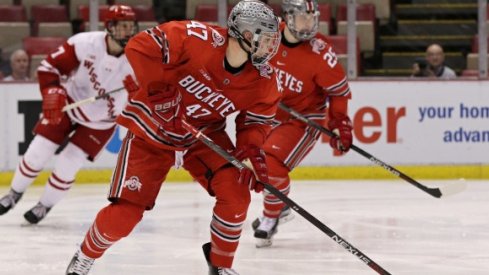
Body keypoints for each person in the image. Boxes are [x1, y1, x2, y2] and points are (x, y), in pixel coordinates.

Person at [65, 1, 281, 275]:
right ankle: (85, 255)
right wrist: (159, 91)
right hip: (152, 129)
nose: (270, 47)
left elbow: (255, 121)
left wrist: (250, 149)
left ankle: (220, 265)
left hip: (202, 136)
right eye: (265, 38)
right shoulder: (195, 38)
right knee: (125, 215)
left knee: (236, 193)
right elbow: (139, 46)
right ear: (244, 33)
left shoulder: (263, 79)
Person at [0, 5, 139, 224]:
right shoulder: (86, 43)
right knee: (38, 150)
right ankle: (13, 193)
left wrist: (138, 94)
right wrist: (52, 91)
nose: (128, 31)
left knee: (69, 163)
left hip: (101, 122)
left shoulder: (139, 59)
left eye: (131, 26)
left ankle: (44, 205)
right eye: (123, 26)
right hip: (72, 103)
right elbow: (49, 67)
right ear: (109, 27)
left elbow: (153, 96)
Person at [250, 0, 353, 248]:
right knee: (253, 165)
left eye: (312, 18)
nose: (309, 25)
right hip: (268, 115)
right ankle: (281, 205)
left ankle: (270, 217)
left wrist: (340, 123)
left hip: (303, 119)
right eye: (302, 18)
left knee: (271, 165)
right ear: (287, 17)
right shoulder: (267, 37)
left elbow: (338, 92)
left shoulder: (320, 52)